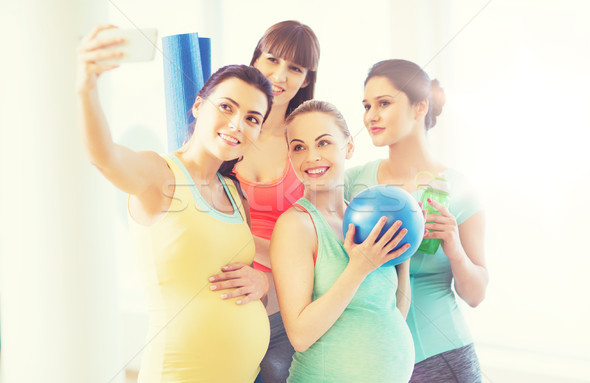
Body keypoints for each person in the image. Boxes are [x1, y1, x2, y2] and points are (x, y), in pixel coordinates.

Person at [77, 25, 274, 382]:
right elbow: (104, 156)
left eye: (252, 118)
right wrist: (86, 85)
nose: (237, 124)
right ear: (199, 105)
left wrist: (263, 283)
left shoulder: (232, 191)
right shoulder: (161, 174)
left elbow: (267, 260)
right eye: (226, 107)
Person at [345, 59, 488, 383]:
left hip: (440, 359)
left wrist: (454, 249)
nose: (371, 116)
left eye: (384, 103)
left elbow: (476, 295)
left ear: (420, 106)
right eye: (367, 105)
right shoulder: (352, 184)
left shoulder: (460, 189)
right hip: (371, 361)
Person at [270, 100, 416, 382]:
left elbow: (392, 311)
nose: (311, 156)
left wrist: (403, 259)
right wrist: (358, 268)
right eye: (299, 147)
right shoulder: (297, 225)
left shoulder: (369, 220)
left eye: (323, 143)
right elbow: (300, 336)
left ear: (349, 146)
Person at [209, 20, 320, 383]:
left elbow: (317, 242)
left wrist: (255, 256)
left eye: (295, 68)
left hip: (282, 315)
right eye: (272, 60)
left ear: (306, 80)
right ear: (256, 60)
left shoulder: (306, 143)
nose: (280, 75)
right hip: (221, 302)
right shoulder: (225, 134)